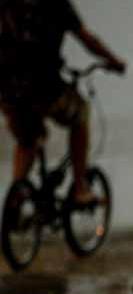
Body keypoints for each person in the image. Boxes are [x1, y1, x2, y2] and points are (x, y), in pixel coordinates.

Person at [0, 0, 125, 205]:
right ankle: (80, 188)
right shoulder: (56, 4)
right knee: (81, 113)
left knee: (28, 139)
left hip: (8, 90)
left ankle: (16, 198)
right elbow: (87, 39)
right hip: (43, 87)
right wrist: (114, 61)